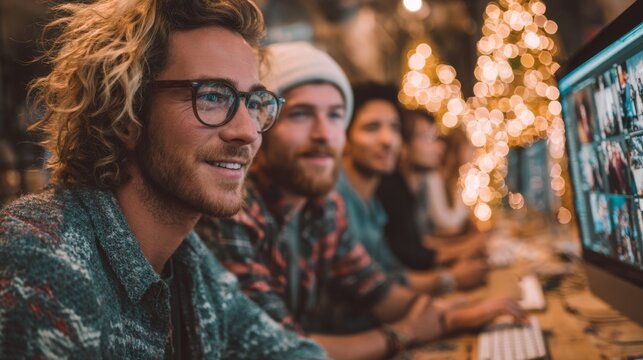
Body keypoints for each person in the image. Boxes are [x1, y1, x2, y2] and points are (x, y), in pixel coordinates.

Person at [0, 1, 326, 358]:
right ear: (125, 114)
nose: (247, 132)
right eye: (213, 96)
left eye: (254, 103)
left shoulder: (189, 261)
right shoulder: (40, 259)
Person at [197, 41, 524, 360]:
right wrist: (405, 333)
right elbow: (280, 349)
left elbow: (377, 290)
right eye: (300, 114)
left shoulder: (322, 207)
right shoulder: (233, 208)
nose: (323, 133)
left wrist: (443, 316)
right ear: (260, 124)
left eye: (336, 115)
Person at [327, 83, 489, 334]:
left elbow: (390, 273)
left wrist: (438, 306)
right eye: (372, 128)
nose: (387, 140)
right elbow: (370, 296)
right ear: (344, 138)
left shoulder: (370, 203)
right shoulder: (333, 201)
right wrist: (447, 292)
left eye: (394, 128)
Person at [377, 109, 488, 272]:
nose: (440, 145)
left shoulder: (410, 188)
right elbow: (409, 254)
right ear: (403, 146)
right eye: (428, 138)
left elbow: (420, 243)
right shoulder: (391, 191)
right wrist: (466, 249)